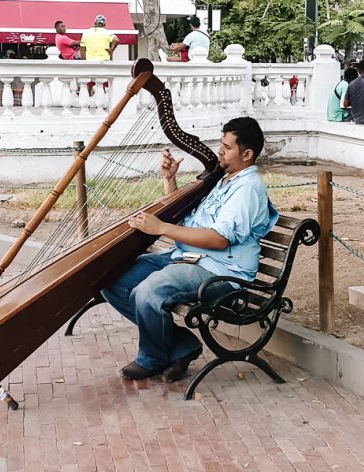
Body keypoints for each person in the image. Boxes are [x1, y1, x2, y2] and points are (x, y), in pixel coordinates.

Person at [101, 117, 278, 383]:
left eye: (227, 147)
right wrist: (169, 181)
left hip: (222, 272)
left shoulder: (248, 189)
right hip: (187, 258)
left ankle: (152, 359)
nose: (219, 151)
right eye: (221, 144)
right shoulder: (223, 181)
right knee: (111, 278)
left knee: (148, 291)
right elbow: (189, 221)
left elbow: (219, 240)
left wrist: (161, 228)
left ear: (247, 154)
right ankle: (182, 346)